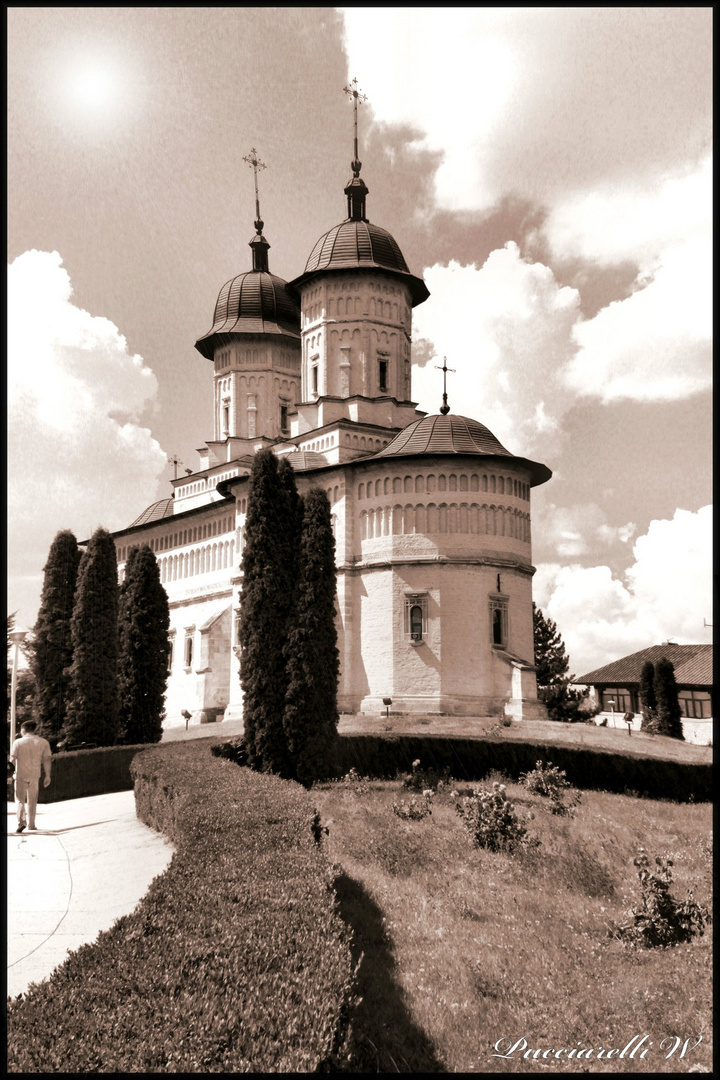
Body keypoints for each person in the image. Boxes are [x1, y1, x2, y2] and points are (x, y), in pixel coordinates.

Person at [10, 720, 52, 833]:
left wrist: (11, 774)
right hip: (35, 775)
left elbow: (12, 760)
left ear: (23, 729)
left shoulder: (17, 742)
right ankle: (31, 824)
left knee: (19, 799)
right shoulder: (43, 742)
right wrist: (47, 776)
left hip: (20, 775)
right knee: (32, 799)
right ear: (34, 729)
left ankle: (21, 822)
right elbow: (47, 760)